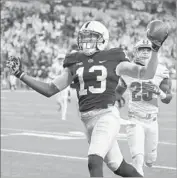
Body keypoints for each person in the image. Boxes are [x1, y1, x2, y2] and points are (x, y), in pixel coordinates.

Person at [6, 20, 168, 177]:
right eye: (84, 37)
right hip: (88, 121)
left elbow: (146, 73)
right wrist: (21, 74)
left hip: (106, 116)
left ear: (102, 39)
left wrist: (154, 50)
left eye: (91, 37)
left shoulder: (114, 57)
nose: (86, 41)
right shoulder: (75, 60)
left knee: (94, 161)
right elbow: (50, 89)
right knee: (119, 166)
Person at [115, 38, 172, 176]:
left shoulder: (161, 70)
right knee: (137, 159)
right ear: (136, 51)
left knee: (150, 160)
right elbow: (117, 93)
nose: (146, 52)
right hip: (134, 120)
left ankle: (149, 160)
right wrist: (112, 104)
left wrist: (159, 92)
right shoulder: (128, 70)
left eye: (149, 49)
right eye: (142, 49)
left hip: (152, 121)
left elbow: (168, 99)